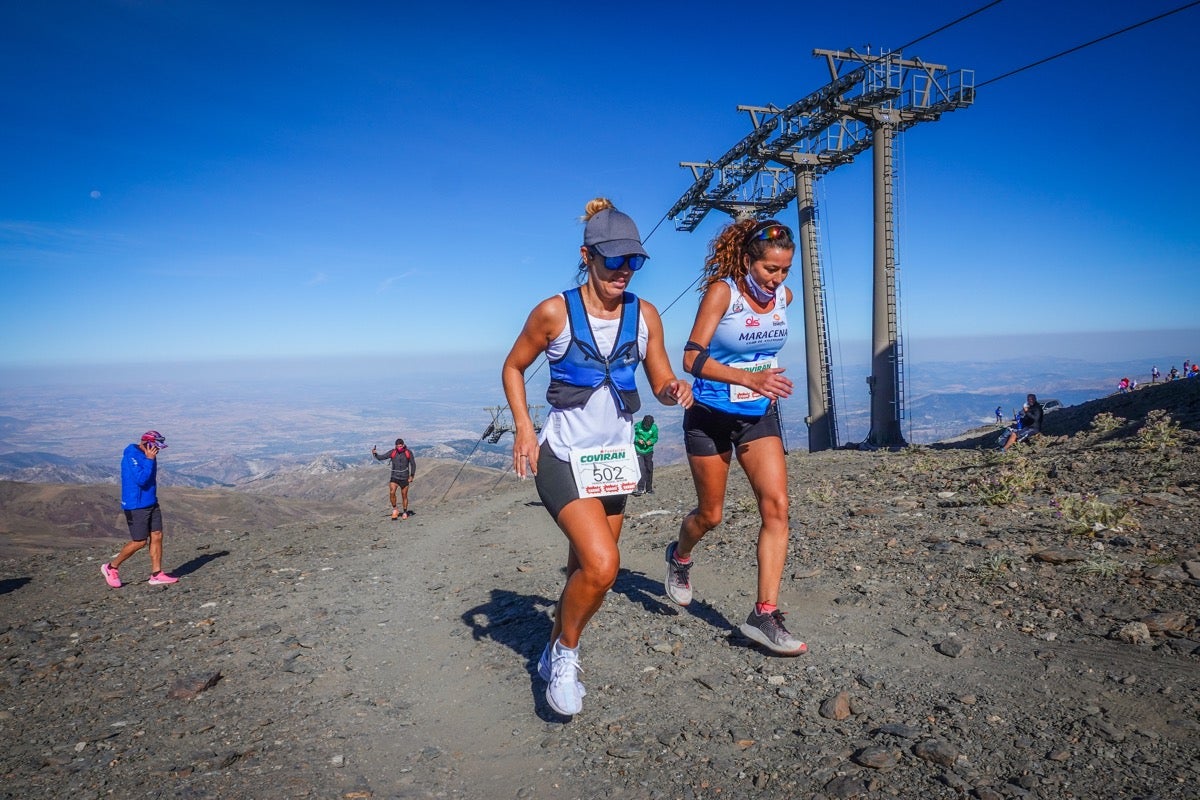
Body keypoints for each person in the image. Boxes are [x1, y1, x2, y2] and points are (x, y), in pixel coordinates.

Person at [502, 197, 693, 716]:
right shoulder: (554, 312)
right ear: (587, 257)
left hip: (612, 460)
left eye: (634, 262)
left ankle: (554, 644)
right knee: (605, 566)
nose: (624, 272)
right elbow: (513, 368)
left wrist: (674, 388)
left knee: (583, 570)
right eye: (614, 261)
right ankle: (565, 653)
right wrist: (523, 426)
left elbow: (658, 380)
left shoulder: (644, 314)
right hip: (562, 456)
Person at [664, 217, 807, 657]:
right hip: (708, 415)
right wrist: (747, 375)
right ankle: (680, 556)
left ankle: (764, 614)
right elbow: (691, 357)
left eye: (785, 270)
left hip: (757, 415)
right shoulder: (723, 291)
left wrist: (760, 384)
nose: (778, 279)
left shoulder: (784, 296)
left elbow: (767, 352)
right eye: (769, 269)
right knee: (710, 515)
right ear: (748, 261)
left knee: (777, 506)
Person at [101, 430, 178, 587]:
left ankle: (156, 574)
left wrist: (150, 458)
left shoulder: (150, 453)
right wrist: (149, 459)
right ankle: (111, 567)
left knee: (157, 535)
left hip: (151, 502)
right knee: (139, 541)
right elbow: (141, 480)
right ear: (146, 444)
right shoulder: (132, 456)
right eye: (155, 446)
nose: (157, 450)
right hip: (136, 505)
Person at [372, 439, 416, 519]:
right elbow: (382, 457)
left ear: (403, 445)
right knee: (392, 492)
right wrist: (375, 454)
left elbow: (413, 464)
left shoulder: (408, 453)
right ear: (395, 446)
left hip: (404, 477)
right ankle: (395, 509)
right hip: (394, 477)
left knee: (404, 495)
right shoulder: (393, 452)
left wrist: (412, 476)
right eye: (398, 446)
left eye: (401, 446)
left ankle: (405, 512)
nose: (399, 447)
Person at [632, 414, 658, 495]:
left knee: (649, 468)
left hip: (648, 450)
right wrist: (637, 440)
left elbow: (655, 437)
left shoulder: (654, 428)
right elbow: (632, 435)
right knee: (641, 468)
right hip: (638, 450)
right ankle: (640, 488)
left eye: (648, 426)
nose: (646, 427)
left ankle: (649, 489)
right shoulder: (638, 426)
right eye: (645, 425)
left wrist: (651, 441)